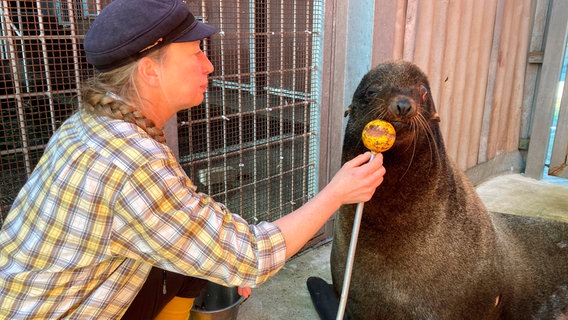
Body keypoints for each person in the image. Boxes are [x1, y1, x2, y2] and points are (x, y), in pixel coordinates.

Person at [0, 0, 386, 319]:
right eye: (195, 52)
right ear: (150, 70)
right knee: (217, 262)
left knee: (196, 264)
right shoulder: (132, 161)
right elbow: (250, 256)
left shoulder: (92, 122)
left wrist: (225, 262)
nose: (209, 65)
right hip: (54, 311)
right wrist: (336, 193)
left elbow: (196, 230)